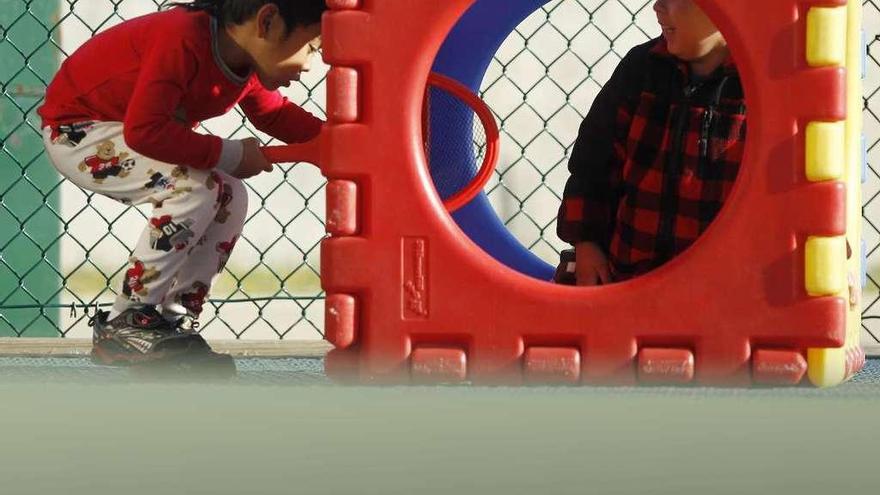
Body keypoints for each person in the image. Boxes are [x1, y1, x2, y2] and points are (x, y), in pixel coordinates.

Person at [38, 0, 326, 366]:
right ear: (267, 21)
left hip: (125, 131)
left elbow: (274, 114)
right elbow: (146, 132)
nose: (309, 65)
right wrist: (232, 154)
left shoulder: (243, 62)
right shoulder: (182, 38)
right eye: (311, 47)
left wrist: (337, 138)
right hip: (78, 131)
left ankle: (169, 322)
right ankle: (128, 321)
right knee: (194, 187)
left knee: (231, 194)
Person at [555, 0, 746, 286]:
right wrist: (587, 243)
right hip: (631, 273)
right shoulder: (642, 68)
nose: (657, 6)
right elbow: (594, 162)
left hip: (718, 284)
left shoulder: (756, 87)